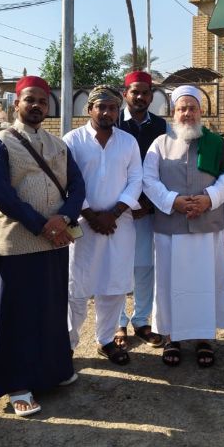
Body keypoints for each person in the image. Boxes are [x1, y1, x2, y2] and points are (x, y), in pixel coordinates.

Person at [0, 75, 85, 417]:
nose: (37, 106)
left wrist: (65, 218)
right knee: (18, 315)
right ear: (16, 103)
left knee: (52, 309)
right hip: (19, 244)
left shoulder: (59, 145)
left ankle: (54, 372)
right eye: (30, 100)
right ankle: (18, 385)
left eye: (43, 101)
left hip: (56, 242)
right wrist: (42, 225)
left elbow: (78, 187)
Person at [142, 85, 224, 367]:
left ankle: (204, 338)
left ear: (200, 111)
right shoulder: (160, 143)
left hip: (208, 227)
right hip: (170, 227)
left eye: (192, 108)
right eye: (181, 108)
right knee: (170, 284)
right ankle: (172, 338)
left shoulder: (217, 144)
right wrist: (174, 201)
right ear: (173, 112)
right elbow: (148, 179)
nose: (187, 113)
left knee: (206, 283)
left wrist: (209, 199)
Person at [63, 85, 142, 365]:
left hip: (120, 225)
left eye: (112, 107)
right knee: (78, 287)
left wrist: (114, 213)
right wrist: (93, 215)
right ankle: (67, 344)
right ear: (89, 109)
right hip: (84, 225)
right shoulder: (72, 140)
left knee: (114, 285)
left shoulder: (128, 142)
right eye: (101, 107)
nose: (107, 112)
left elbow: (136, 180)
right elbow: (67, 182)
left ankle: (106, 340)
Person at [117, 70, 168, 349]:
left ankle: (141, 320)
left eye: (145, 92)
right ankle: (118, 322)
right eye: (134, 92)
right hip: (117, 211)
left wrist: (147, 203)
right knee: (118, 265)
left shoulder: (162, 127)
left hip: (149, 209)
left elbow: (165, 167)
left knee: (145, 266)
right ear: (125, 94)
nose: (140, 97)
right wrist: (127, 203)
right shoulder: (113, 122)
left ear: (152, 96)